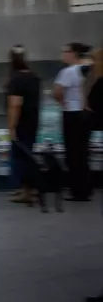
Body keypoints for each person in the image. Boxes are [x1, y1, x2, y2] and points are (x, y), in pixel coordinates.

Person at [53, 42, 93, 201]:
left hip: (71, 114)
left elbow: (57, 92)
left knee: (73, 154)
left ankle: (77, 190)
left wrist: (63, 102)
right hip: (85, 114)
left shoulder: (67, 72)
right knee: (83, 153)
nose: (63, 55)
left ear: (73, 53)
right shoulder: (88, 70)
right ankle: (86, 187)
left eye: (65, 51)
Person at [6, 46, 41, 204]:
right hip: (33, 121)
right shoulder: (34, 77)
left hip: (21, 123)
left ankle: (25, 191)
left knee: (19, 157)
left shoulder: (16, 79)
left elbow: (15, 104)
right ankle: (30, 189)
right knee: (29, 155)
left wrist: (12, 126)